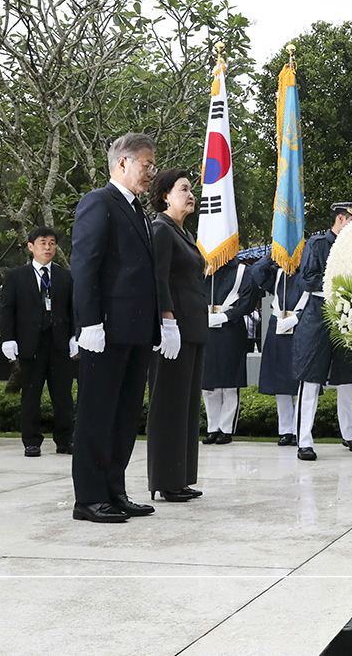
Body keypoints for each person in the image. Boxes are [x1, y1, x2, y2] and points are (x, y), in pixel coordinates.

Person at [70, 132, 174, 523]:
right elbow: (85, 267)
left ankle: (114, 490)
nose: (152, 172)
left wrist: (158, 324)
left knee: (124, 415)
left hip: (135, 332)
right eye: (146, 164)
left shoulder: (138, 212)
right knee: (97, 415)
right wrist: (90, 322)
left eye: (153, 165)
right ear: (123, 164)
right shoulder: (98, 202)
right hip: (106, 331)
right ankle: (89, 498)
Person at [146, 169, 208, 502]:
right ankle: (165, 480)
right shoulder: (161, 230)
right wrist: (166, 320)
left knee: (186, 406)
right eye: (183, 189)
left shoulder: (182, 232)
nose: (190, 194)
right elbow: (157, 279)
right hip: (174, 330)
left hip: (193, 327)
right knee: (169, 404)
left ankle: (180, 478)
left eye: (191, 189)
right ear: (165, 195)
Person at [0, 226, 78, 457]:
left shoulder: (66, 276)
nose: (48, 247)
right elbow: (7, 309)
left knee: (63, 396)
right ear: (31, 246)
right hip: (30, 344)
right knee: (31, 395)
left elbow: (74, 309)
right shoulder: (16, 276)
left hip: (59, 343)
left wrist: (75, 336)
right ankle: (31, 442)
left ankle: (65, 440)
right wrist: (8, 339)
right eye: (43, 242)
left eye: (52, 243)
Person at [294, 203, 352, 462]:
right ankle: (304, 440)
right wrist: (338, 283)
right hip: (319, 313)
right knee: (310, 377)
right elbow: (307, 278)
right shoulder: (318, 243)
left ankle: (349, 433)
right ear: (341, 219)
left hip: (347, 315)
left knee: (348, 378)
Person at [201, 256, 258, 444]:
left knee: (229, 383)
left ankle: (226, 428)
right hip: (206, 328)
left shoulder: (242, 271)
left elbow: (248, 302)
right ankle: (212, 427)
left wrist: (226, 316)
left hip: (230, 330)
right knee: (209, 384)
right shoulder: (203, 268)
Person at [251, 252, 306, 446]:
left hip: (300, 326)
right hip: (279, 325)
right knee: (280, 381)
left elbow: (316, 301)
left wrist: (298, 318)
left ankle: (301, 428)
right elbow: (255, 272)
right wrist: (274, 255)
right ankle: (285, 430)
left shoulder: (309, 272)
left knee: (300, 383)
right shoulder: (278, 273)